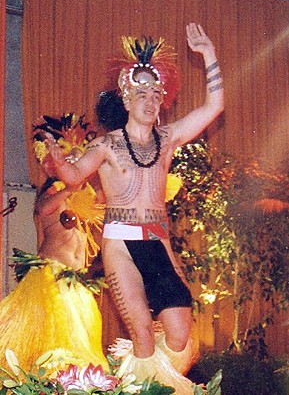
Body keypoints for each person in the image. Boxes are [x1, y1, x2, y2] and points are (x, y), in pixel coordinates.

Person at [45, 24, 224, 393]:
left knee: (178, 336)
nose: (150, 100)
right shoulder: (108, 144)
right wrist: (59, 161)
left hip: (158, 241)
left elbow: (214, 106)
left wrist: (209, 55)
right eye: (141, 93)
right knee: (142, 333)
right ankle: (143, 384)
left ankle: (150, 381)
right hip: (121, 245)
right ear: (126, 101)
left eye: (156, 94)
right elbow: (76, 174)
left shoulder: (169, 137)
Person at [0, 114, 108, 372]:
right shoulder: (50, 192)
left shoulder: (84, 198)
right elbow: (45, 209)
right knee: (52, 343)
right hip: (51, 277)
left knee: (78, 344)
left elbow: (105, 199)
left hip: (77, 281)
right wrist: (71, 186)